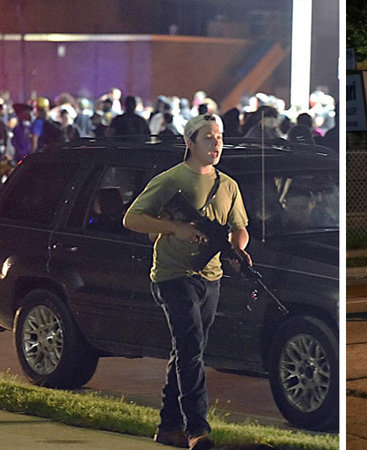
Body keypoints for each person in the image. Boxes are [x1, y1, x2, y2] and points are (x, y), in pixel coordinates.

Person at [123, 113, 250, 450]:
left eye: (220, 137)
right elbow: (132, 218)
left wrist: (238, 250)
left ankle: (168, 427)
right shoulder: (171, 180)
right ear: (190, 142)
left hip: (211, 277)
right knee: (191, 348)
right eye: (208, 137)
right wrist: (175, 228)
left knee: (187, 350)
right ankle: (198, 430)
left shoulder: (228, 185)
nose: (216, 143)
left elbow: (240, 227)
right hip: (172, 275)